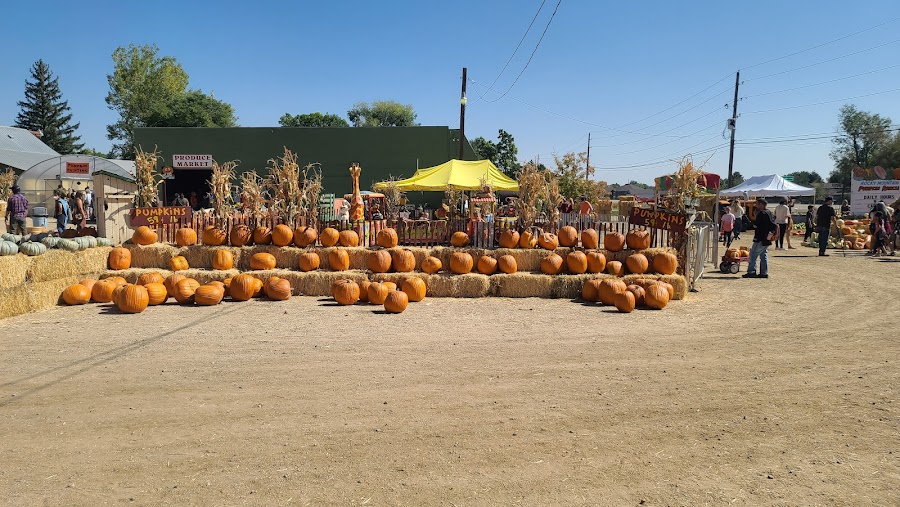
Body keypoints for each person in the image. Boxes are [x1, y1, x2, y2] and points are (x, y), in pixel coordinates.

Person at [743, 198, 778, 279]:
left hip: (760, 237)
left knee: (753, 254)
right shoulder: (769, 212)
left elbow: (756, 225)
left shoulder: (761, 214)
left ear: (761, 204)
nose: (756, 205)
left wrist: (754, 218)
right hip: (767, 237)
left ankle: (751, 271)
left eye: (757, 204)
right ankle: (763, 272)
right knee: (763, 255)